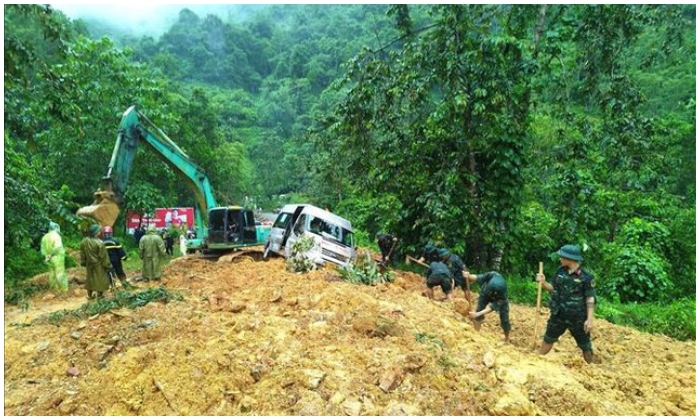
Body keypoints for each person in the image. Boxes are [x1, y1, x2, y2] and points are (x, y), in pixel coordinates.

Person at [537, 244, 597, 363]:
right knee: (548, 338)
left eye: (563, 257)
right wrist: (543, 283)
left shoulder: (587, 277)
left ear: (571, 259)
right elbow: (553, 289)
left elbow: (590, 298)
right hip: (558, 315)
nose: (560, 259)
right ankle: (537, 360)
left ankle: (591, 366)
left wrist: (589, 319)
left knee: (585, 346)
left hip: (577, 319)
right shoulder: (560, 271)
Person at [466, 271, 511, 343]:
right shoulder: (492, 274)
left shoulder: (502, 296)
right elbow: (478, 278)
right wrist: (468, 276)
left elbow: (491, 307)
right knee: (479, 310)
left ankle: (507, 338)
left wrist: (477, 314)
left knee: (504, 318)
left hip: (499, 297)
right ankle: (476, 334)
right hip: (485, 292)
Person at [80, 224, 112, 300]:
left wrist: (83, 261)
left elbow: (82, 253)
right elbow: (103, 256)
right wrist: (108, 266)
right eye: (99, 231)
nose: (100, 232)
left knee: (90, 279)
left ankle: (90, 295)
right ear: (96, 232)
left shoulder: (84, 241)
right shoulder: (100, 243)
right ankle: (99, 295)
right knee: (101, 279)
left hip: (89, 264)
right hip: (98, 264)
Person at [101, 226, 135, 290]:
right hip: (116, 261)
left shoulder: (101, 242)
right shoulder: (115, 241)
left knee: (110, 273)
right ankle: (125, 284)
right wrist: (124, 258)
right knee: (120, 272)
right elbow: (120, 251)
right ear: (111, 232)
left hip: (107, 261)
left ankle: (113, 286)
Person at [40, 221, 68, 293]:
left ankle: (54, 291)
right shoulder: (56, 236)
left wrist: (47, 256)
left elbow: (42, 251)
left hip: (48, 259)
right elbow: (57, 248)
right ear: (56, 228)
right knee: (60, 273)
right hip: (57, 258)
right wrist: (51, 254)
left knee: (52, 274)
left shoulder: (44, 237)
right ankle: (64, 291)